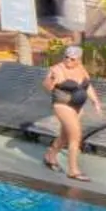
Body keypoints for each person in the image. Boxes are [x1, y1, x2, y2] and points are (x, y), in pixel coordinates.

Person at [43, 42, 101, 181]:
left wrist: (95, 101)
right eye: (66, 57)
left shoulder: (81, 68)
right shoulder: (57, 69)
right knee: (75, 137)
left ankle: (50, 156)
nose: (68, 60)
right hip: (63, 106)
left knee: (64, 136)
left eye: (72, 59)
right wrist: (51, 80)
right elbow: (46, 87)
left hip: (77, 108)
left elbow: (87, 86)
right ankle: (73, 170)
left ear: (79, 59)